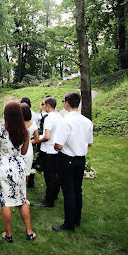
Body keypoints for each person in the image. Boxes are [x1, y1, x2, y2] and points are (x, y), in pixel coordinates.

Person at [0, 102, 35, 243]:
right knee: (22, 199)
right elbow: (23, 151)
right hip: (19, 168)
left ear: (6, 115)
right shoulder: (25, 132)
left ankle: (8, 234)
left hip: (4, 168)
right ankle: (29, 232)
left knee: (6, 201)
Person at [53, 92, 93, 231]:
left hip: (67, 159)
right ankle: (77, 220)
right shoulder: (87, 121)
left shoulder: (65, 121)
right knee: (77, 190)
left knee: (69, 192)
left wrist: (60, 145)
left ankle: (69, 224)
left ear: (66, 103)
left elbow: (58, 144)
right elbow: (89, 144)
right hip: (81, 160)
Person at [35, 97, 63, 208]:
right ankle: (55, 194)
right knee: (55, 174)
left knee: (49, 176)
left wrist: (36, 140)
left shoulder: (49, 118)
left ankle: (48, 201)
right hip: (57, 150)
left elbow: (47, 136)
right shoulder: (60, 116)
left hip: (48, 150)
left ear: (48, 105)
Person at [20, 103, 39, 184]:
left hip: (18, 148)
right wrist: (28, 142)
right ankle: (24, 189)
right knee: (26, 171)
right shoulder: (33, 124)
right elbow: (37, 140)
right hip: (29, 149)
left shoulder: (18, 124)